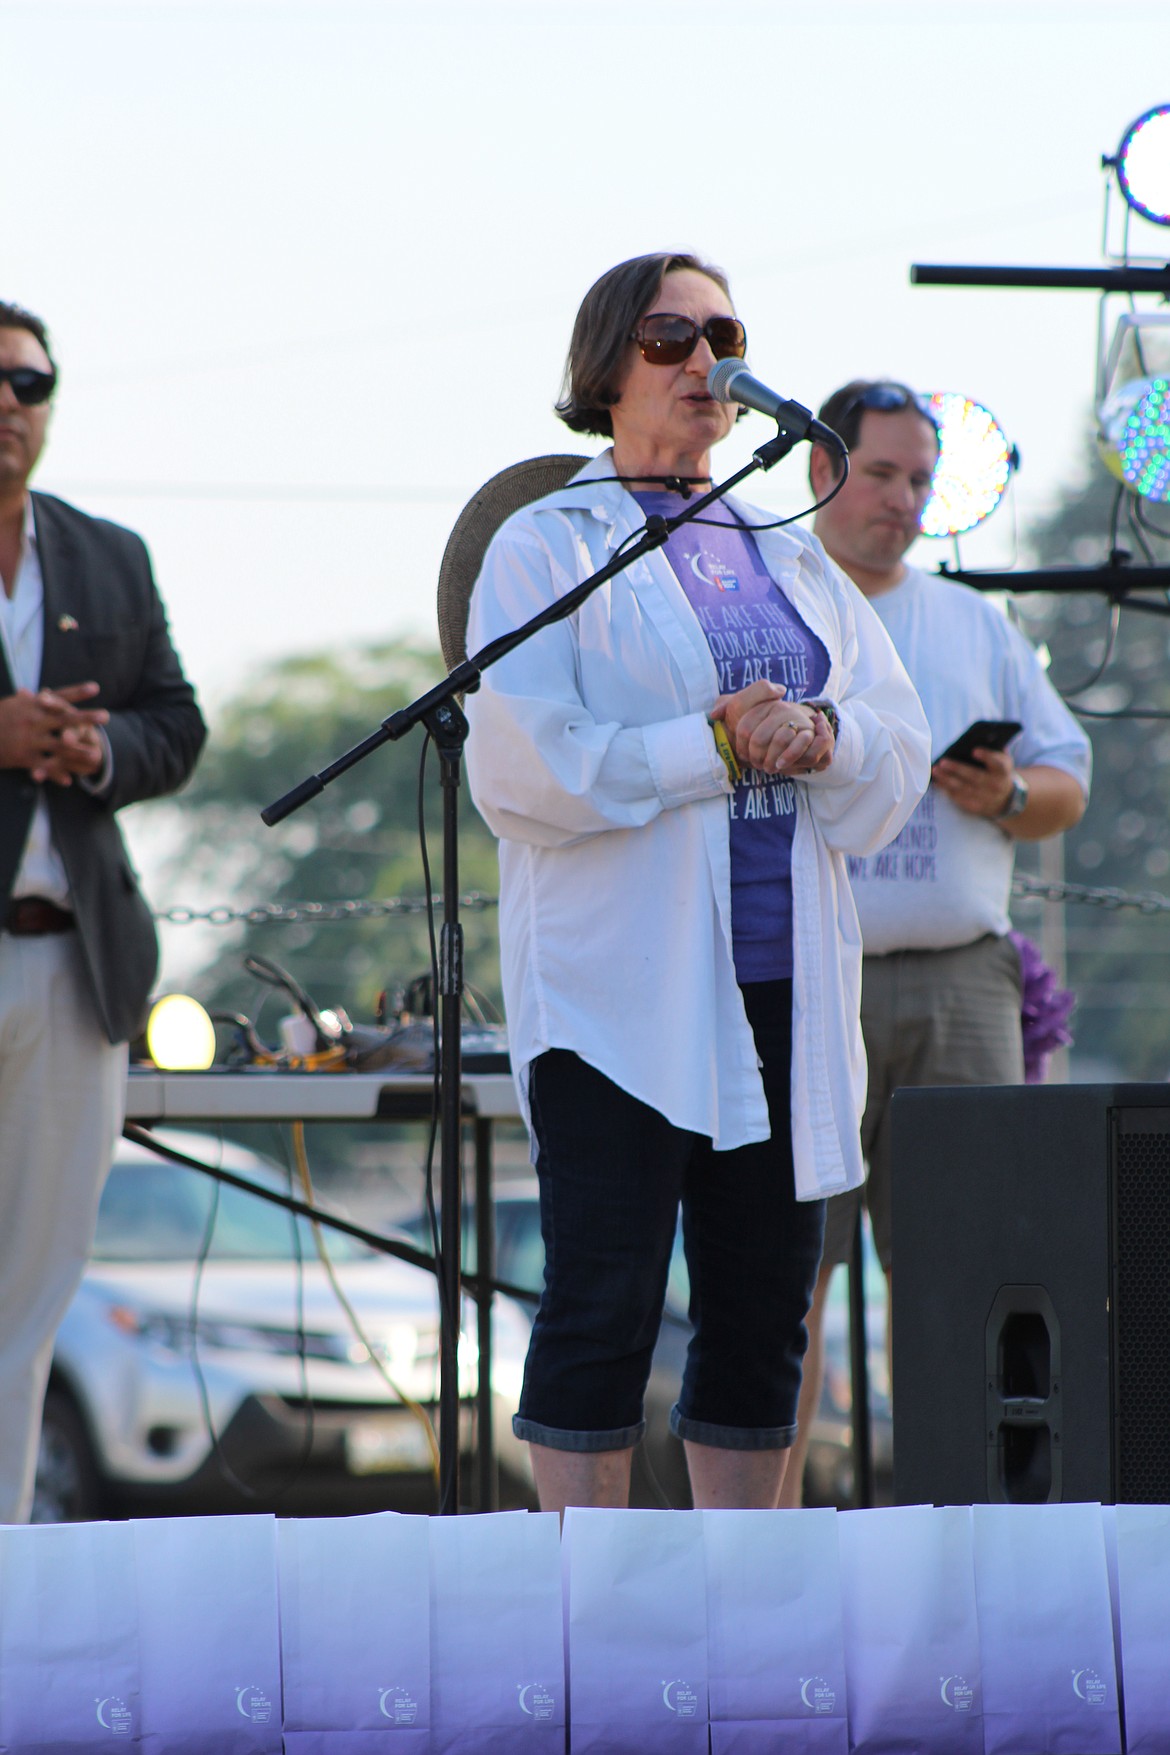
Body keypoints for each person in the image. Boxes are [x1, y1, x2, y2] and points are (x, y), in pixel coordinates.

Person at [464, 256, 930, 1515]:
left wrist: (824, 738)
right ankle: (595, 1633)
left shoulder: (794, 551)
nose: (705, 360)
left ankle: (746, 1629)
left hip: (785, 982)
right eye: (672, 335)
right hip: (620, 991)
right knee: (604, 1303)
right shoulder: (548, 542)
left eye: (723, 333)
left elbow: (900, 740)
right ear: (607, 366)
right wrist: (707, 748)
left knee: (760, 1312)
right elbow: (520, 768)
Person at [778, 378, 1091, 1507]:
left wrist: (1006, 795)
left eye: (923, 479)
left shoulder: (972, 623)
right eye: (884, 474)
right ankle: (776, 1532)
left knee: (969, 1275)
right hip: (807, 972)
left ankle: (967, 1523)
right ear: (821, 470)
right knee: (784, 1279)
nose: (908, 501)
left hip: (961, 982)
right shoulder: (770, 599)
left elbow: (1067, 785)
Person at [0, 300, 206, 1522]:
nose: (9, 405)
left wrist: (94, 749)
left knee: (32, 1300)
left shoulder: (106, 554)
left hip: (76, 972)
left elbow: (177, 726)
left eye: (31, 382)